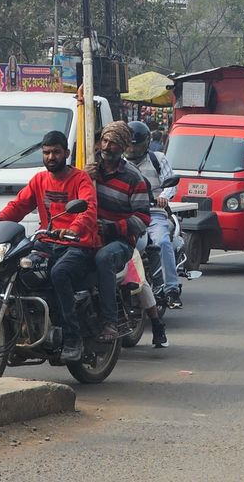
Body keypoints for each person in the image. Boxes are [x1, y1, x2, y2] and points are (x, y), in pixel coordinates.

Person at [0, 130, 98, 362]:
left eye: (56, 152)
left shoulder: (80, 179)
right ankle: (21, 334)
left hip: (77, 245)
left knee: (59, 273)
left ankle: (73, 338)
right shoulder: (39, 180)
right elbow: (19, 205)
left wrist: (73, 229)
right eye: (46, 153)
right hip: (46, 242)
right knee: (16, 270)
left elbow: (88, 209)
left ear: (66, 153)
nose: (51, 157)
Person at [86, 121, 151, 342]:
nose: (106, 146)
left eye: (113, 143)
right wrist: (84, 177)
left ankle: (110, 322)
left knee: (104, 259)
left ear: (122, 147)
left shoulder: (133, 178)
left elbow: (143, 219)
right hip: (88, 234)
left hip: (120, 241)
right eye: (104, 141)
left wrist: (113, 227)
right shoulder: (90, 169)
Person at [124, 119, 182, 309]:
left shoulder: (158, 159)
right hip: (127, 214)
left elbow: (170, 185)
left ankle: (171, 289)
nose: (132, 150)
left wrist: (163, 197)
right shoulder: (119, 164)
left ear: (146, 143)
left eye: (137, 146)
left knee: (162, 242)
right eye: (129, 146)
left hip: (153, 213)